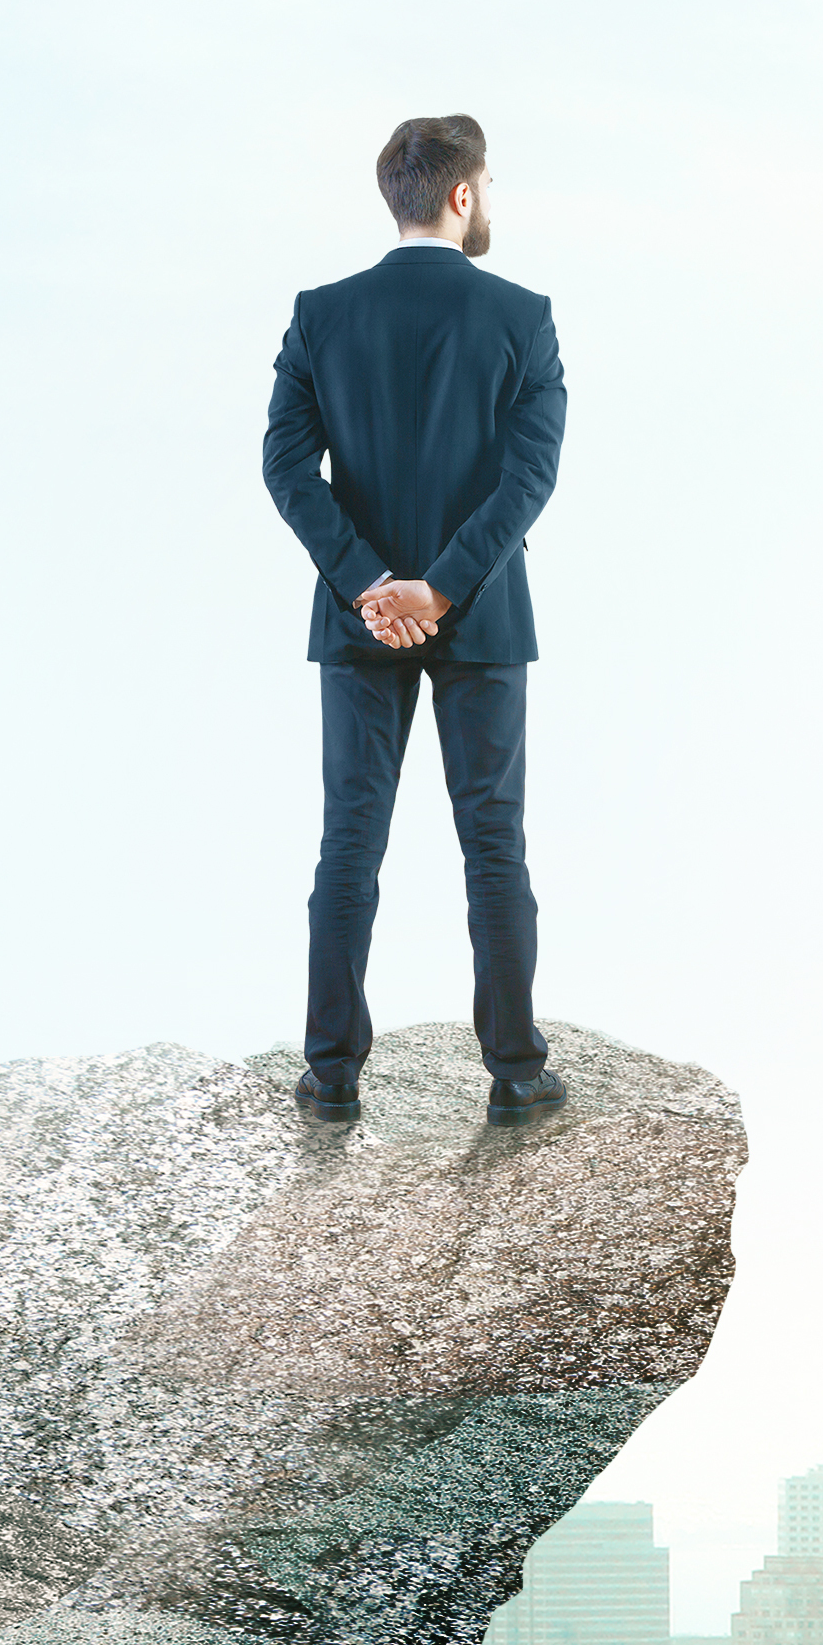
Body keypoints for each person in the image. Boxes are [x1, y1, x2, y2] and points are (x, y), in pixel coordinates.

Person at [259, 112, 569, 1126]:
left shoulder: (321, 315)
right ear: (464, 194)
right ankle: (517, 1072)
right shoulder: (522, 317)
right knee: (494, 845)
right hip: (481, 617)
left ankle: (332, 1074)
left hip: (359, 625)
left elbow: (285, 468)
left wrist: (368, 584)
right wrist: (439, 588)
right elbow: (529, 481)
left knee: (349, 844)